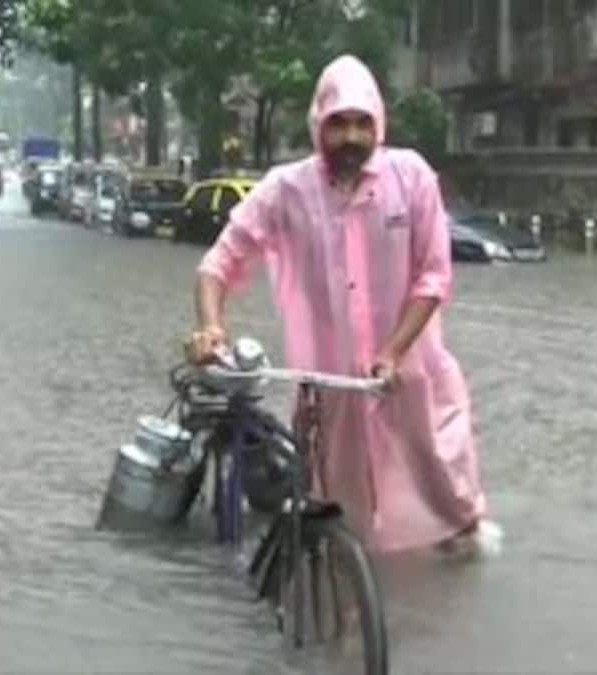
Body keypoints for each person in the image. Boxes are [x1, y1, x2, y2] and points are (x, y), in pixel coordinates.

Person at [185, 54, 502, 559]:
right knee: (339, 495)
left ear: (379, 123)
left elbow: (434, 275)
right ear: (318, 126)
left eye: (362, 123)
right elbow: (217, 264)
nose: (351, 137)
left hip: (409, 367)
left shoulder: (411, 176)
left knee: (443, 479)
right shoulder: (286, 190)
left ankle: (459, 550)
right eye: (338, 124)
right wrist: (210, 328)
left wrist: (394, 351)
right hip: (330, 378)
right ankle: (350, 587)